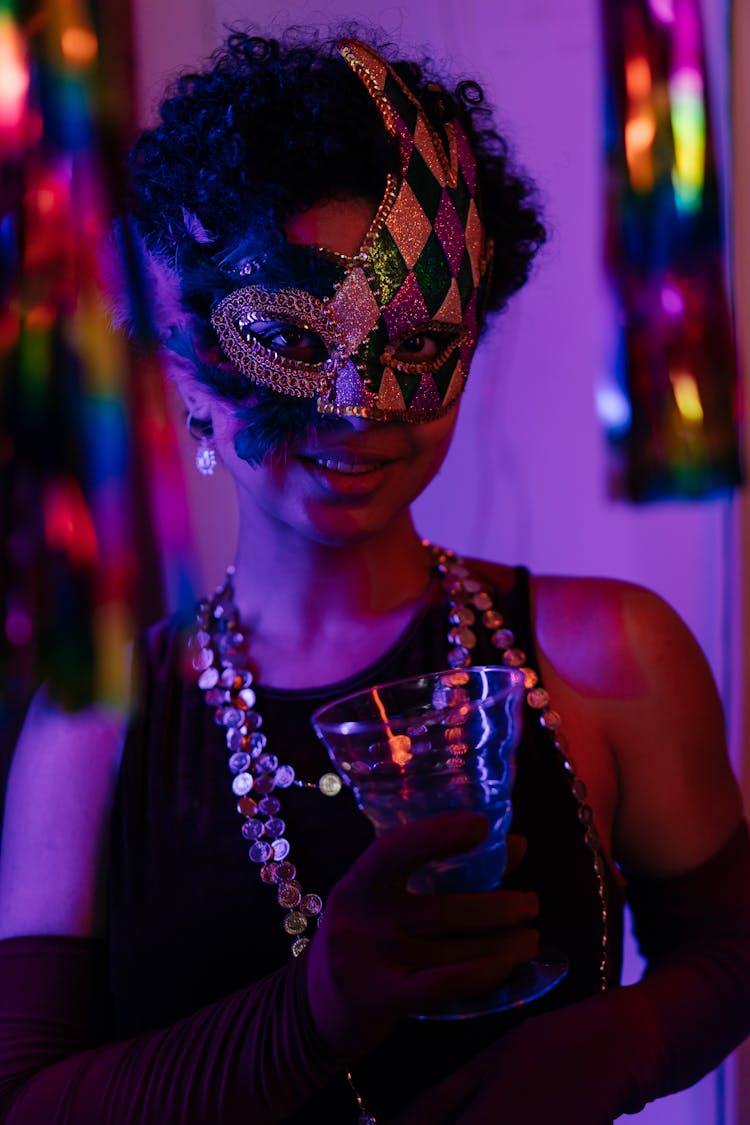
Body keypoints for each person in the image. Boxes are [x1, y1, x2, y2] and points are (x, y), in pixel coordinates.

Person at [1, 26, 749, 1125]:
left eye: (416, 349)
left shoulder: (610, 657)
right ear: (179, 353)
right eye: (293, 342)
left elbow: (728, 948)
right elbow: (24, 1104)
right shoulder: (98, 726)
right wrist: (309, 1013)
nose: (361, 409)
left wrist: (633, 1038)